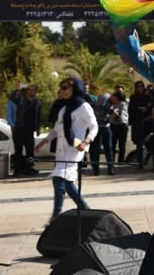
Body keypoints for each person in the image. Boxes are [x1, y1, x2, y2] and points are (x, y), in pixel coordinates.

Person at [35, 78, 98, 222]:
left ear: (74, 89)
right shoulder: (63, 109)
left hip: (74, 149)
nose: (62, 91)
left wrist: (86, 141)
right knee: (67, 184)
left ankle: (58, 214)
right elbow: (57, 129)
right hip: (61, 150)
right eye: (61, 88)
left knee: (59, 179)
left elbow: (94, 126)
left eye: (65, 88)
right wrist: (44, 142)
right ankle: (84, 210)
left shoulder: (84, 107)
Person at [12, 83, 43, 176]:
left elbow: (38, 116)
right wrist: (18, 89)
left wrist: (38, 128)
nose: (31, 91)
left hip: (29, 130)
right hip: (19, 129)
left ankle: (30, 168)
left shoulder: (37, 102)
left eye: (33, 90)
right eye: (29, 89)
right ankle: (17, 170)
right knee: (18, 150)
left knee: (30, 151)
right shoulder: (21, 100)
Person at [89, 92, 115, 176]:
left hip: (107, 126)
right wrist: (111, 112)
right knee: (96, 148)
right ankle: (95, 169)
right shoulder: (105, 97)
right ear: (113, 96)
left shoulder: (113, 102)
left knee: (109, 148)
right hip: (98, 126)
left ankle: (111, 168)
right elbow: (99, 109)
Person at [109, 90, 129, 163]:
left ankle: (121, 161)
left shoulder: (124, 104)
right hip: (113, 125)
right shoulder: (111, 104)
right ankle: (111, 161)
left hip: (122, 126)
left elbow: (119, 114)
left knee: (122, 146)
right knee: (112, 145)